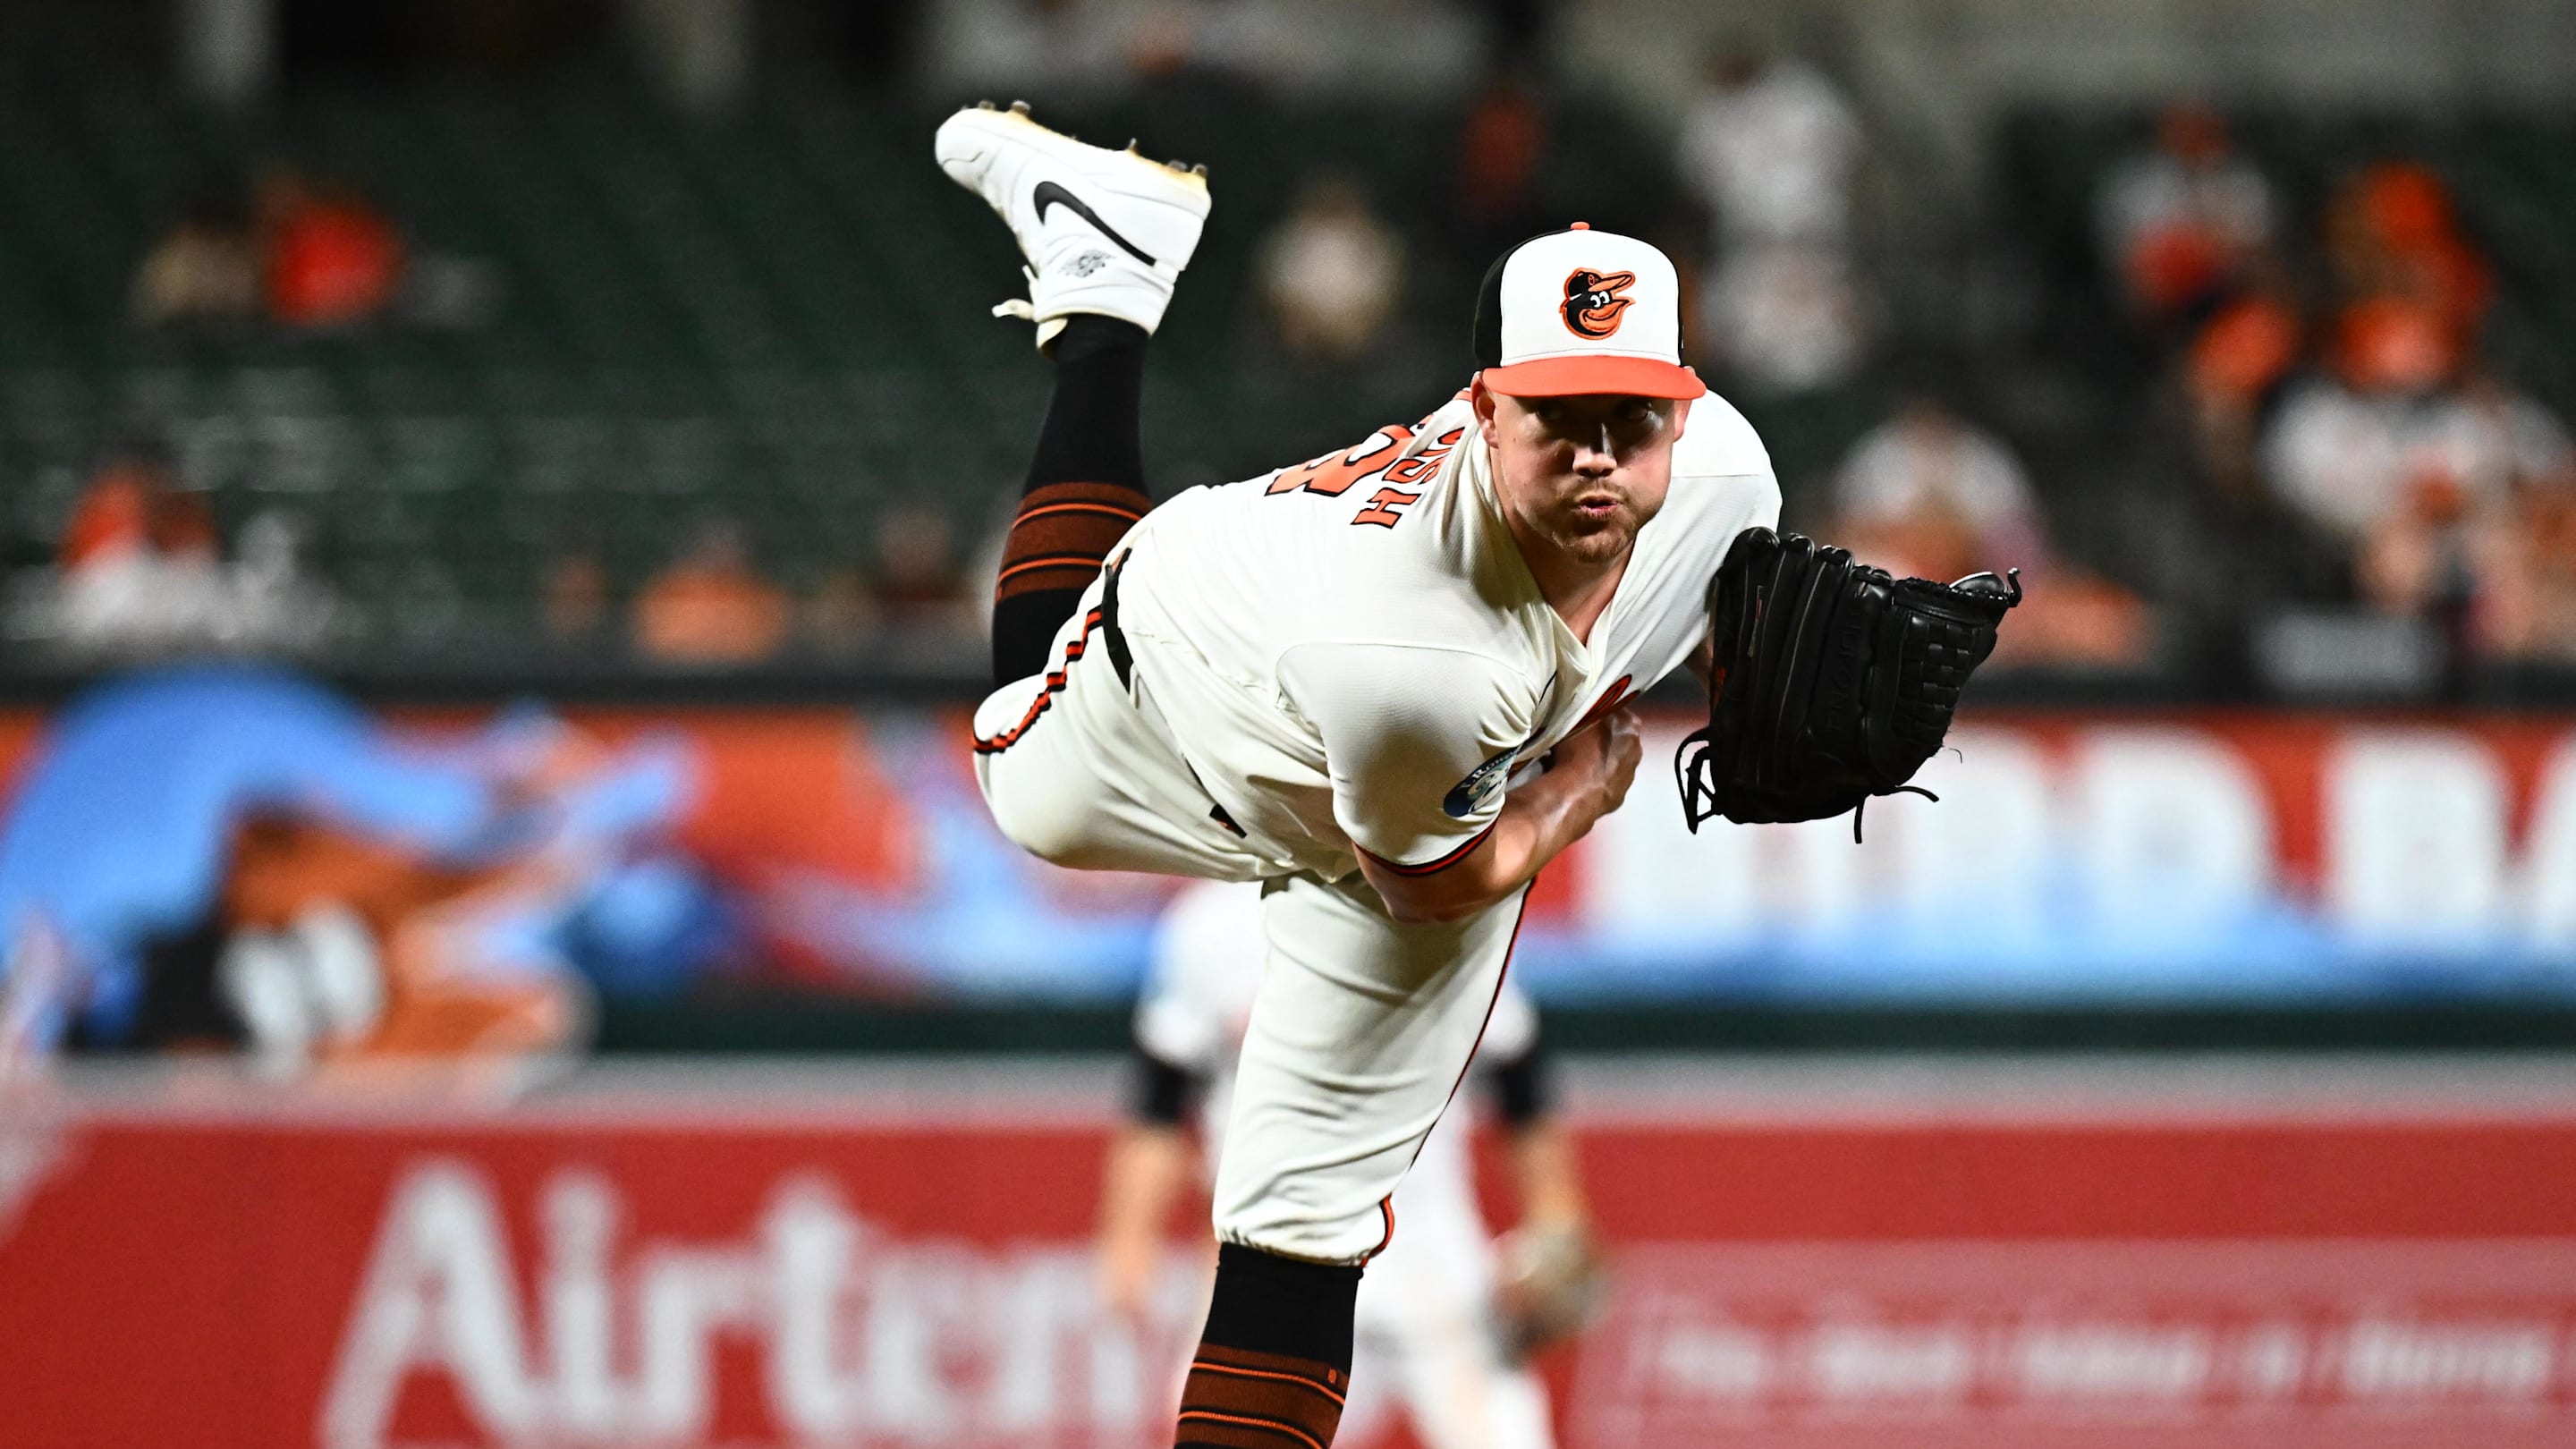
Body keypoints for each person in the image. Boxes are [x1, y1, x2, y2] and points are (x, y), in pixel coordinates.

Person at [935, 101, 1777, 1448]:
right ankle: (1109, 284)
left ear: (1688, 412)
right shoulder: (1411, 656)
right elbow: (1431, 879)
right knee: (1020, 777)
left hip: (1421, 783)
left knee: (1296, 1229)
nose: (1598, 459)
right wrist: (1580, 792)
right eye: (1558, 419)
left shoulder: (1732, 485)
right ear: (1484, 407)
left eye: (1635, 418)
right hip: (1208, 680)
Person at [1098, 881, 1591, 1449]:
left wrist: (1558, 1222)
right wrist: (1128, 1243)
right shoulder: (1212, 921)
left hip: (1427, 1246)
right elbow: (1161, 1101)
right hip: (1269, 1247)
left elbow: (1519, 1085)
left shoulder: (1438, 894)